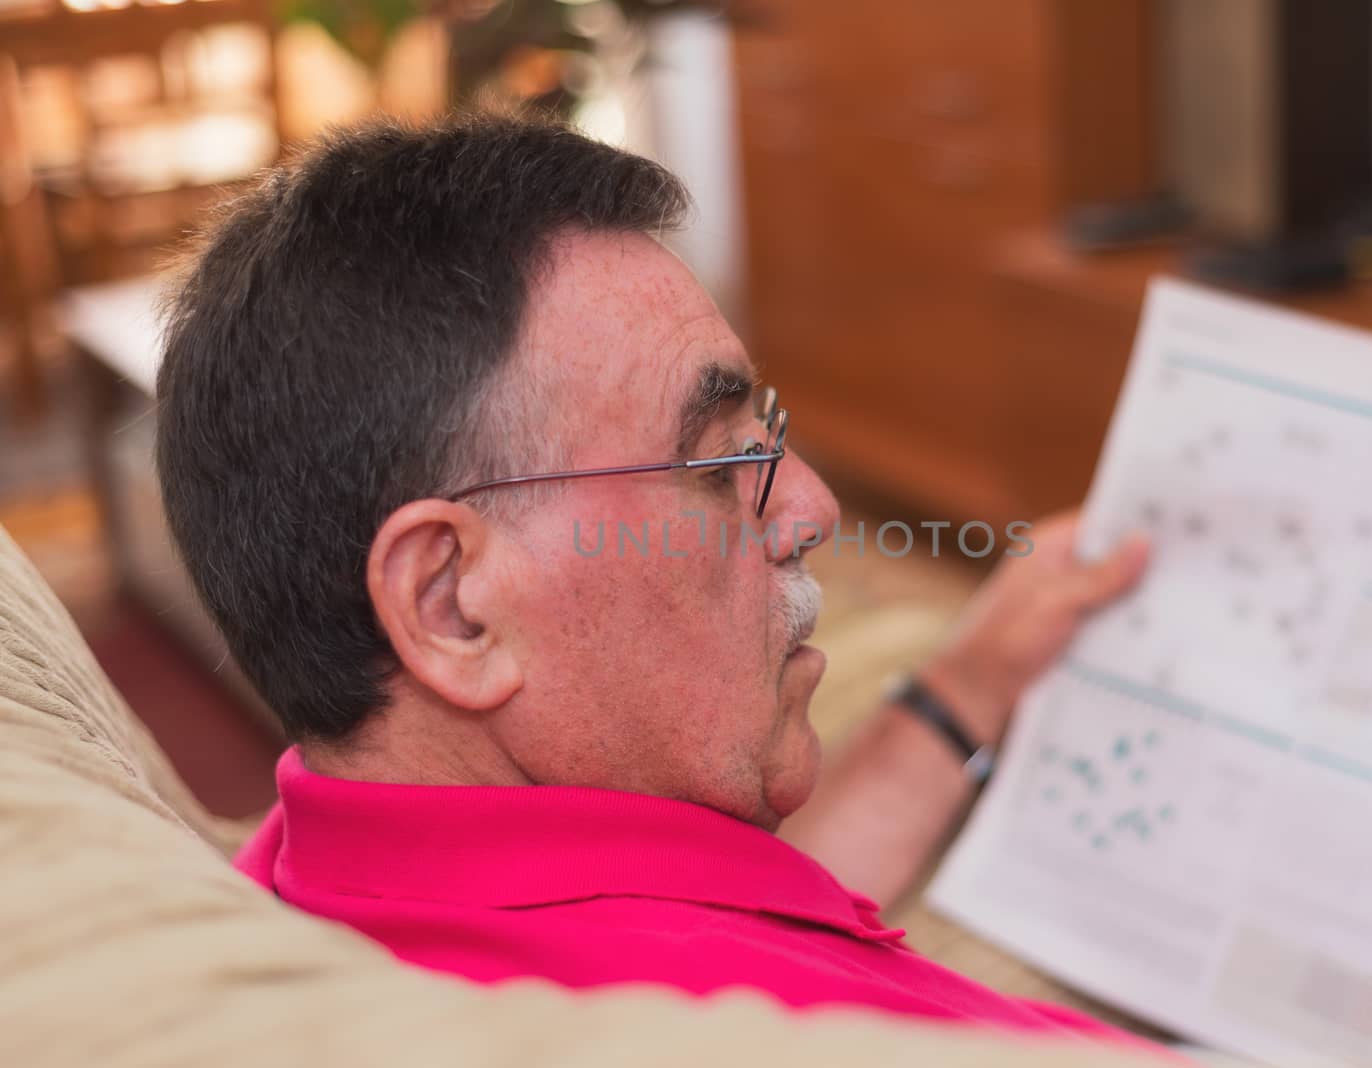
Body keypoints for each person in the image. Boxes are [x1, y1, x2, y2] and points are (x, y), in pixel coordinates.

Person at [157, 111, 1150, 1038]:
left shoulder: (338, 860)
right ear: (452, 606)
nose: (811, 512)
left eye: (769, 440)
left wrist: (968, 684)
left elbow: (700, 922)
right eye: (722, 466)